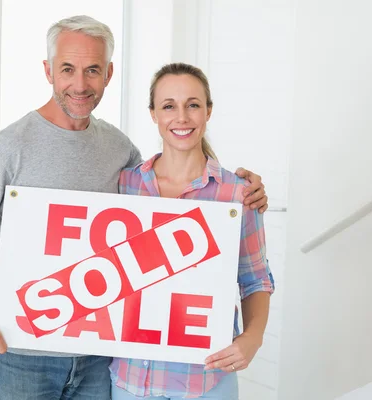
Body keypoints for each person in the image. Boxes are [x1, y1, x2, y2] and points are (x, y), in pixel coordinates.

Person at [0, 16, 269, 400]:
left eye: (92, 70)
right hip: (24, 358)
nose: (80, 84)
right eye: (67, 69)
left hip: (100, 358)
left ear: (108, 74)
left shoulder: (121, 153)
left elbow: (167, 201)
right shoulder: (9, 149)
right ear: (48, 71)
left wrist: (245, 193)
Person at [109, 63, 275, 400]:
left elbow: (255, 278)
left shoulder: (237, 193)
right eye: (169, 106)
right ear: (154, 114)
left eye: (193, 105)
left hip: (207, 381)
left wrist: (252, 337)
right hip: (129, 379)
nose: (181, 117)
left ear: (208, 111)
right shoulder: (124, 185)